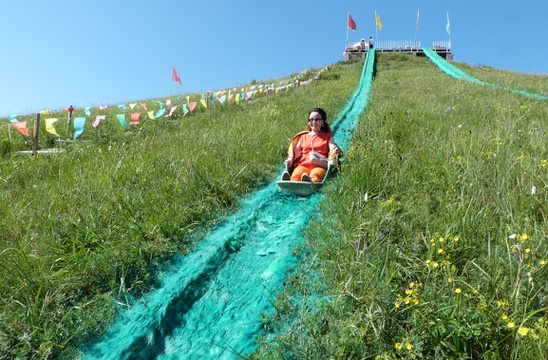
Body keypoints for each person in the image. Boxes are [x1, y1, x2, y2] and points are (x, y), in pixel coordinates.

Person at [281, 108, 342, 182]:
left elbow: (332, 149)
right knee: (297, 173)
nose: (313, 122)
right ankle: (291, 180)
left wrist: (333, 156)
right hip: (303, 164)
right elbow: (294, 152)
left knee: (315, 174)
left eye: (317, 119)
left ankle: (310, 180)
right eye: (311, 120)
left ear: (322, 121)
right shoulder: (303, 136)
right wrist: (290, 159)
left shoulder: (327, 137)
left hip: (319, 165)